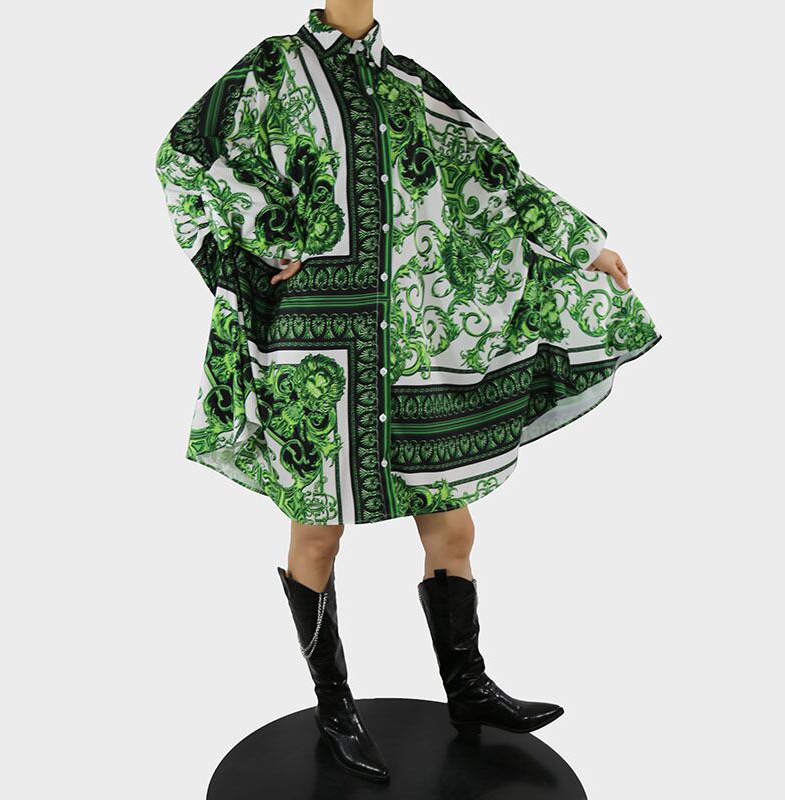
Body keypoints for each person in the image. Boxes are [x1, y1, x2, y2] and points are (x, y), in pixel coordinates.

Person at [155, 1, 661, 783]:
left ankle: (469, 690)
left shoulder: (409, 85)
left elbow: (495, 175)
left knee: (450, 522)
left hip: (412, 346)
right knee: (318, 533)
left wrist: (580, 243)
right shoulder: (273, 69)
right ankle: (334, 709)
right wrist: (257, 244)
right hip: (314, 347)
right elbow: (184, 157)